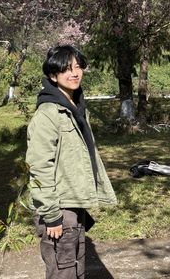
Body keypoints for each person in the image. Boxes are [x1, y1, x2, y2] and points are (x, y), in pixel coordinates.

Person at [26, 44, 117, 279]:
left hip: (73, 204)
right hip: (58, 208)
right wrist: (52, 215)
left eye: (78, 67)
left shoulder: (74, 108)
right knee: (63, 273)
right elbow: (39, 167)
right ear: (52, 75)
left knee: (76, 271)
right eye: (67, 69)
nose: (75, 73)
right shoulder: (48, 113)